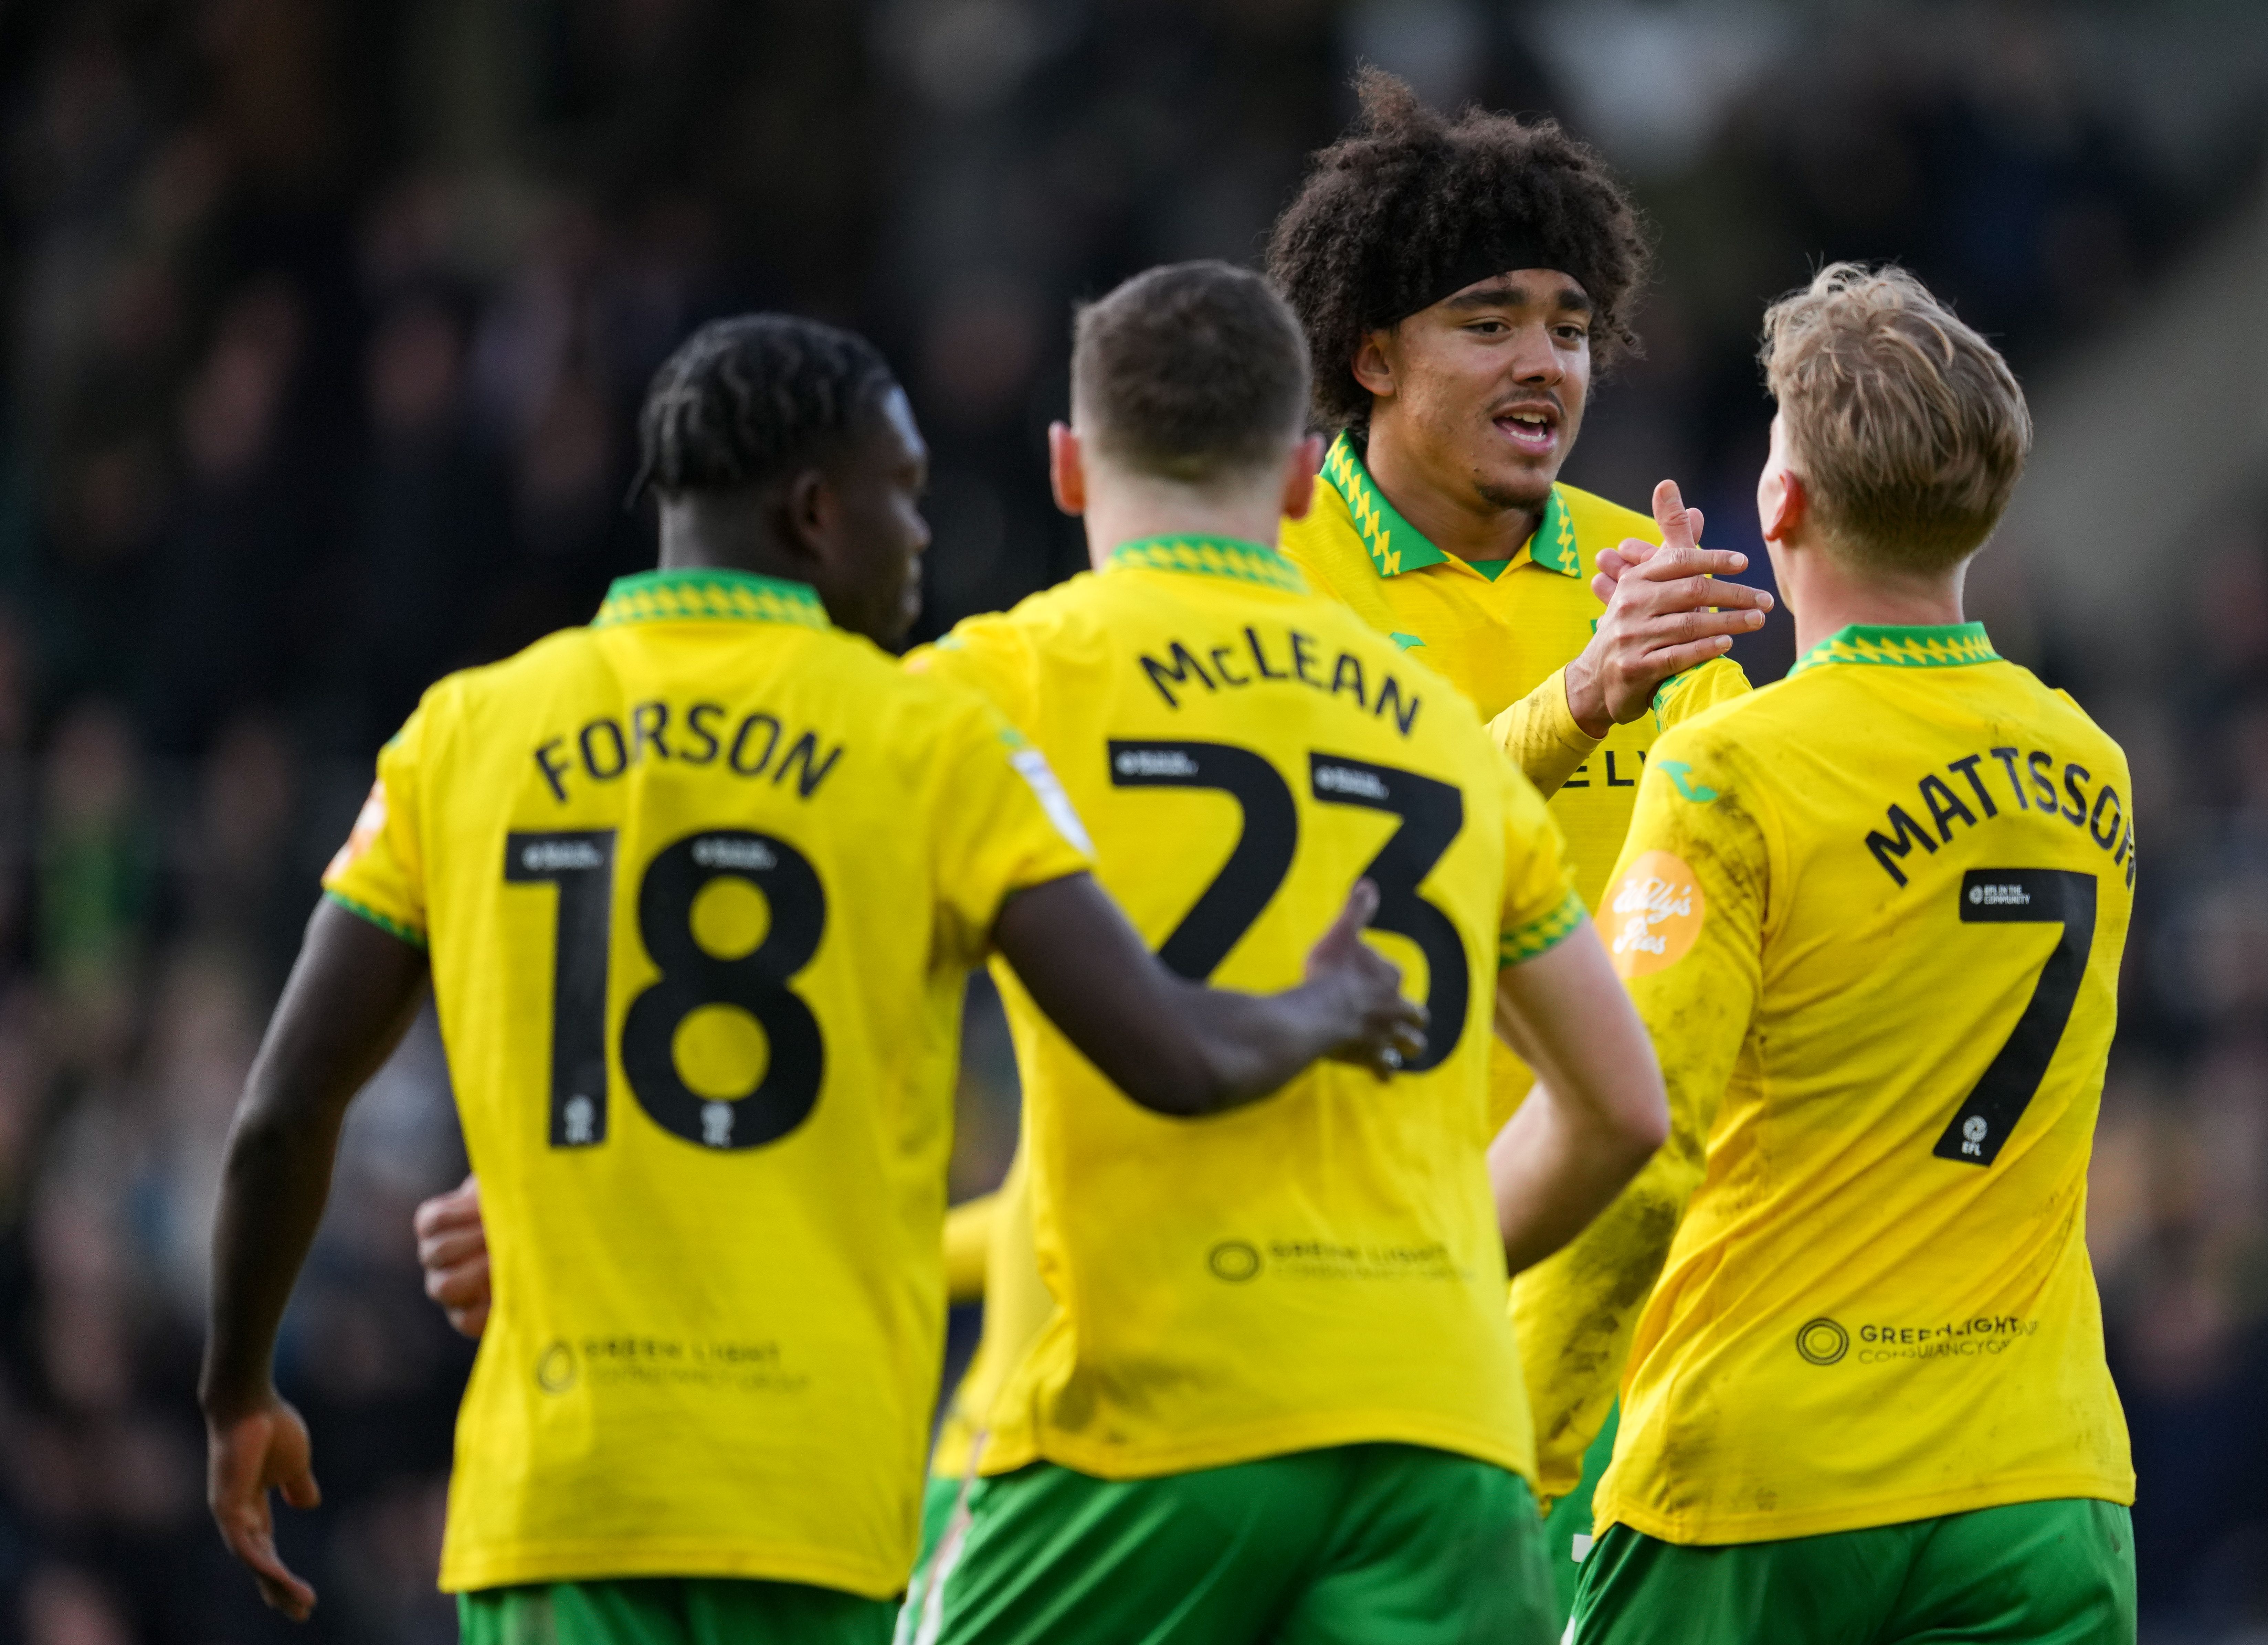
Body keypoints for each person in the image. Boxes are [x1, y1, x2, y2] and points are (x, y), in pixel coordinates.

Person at [199, 314, 1425, 1642]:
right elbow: (1172, 1056)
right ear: (814, 510)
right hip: (808, 1507)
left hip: (559, 1505)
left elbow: (283, 1110)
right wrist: (1327, 1005)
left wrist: (238, 1391)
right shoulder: (928, 742)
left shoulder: (463, 734)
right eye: (904, 493)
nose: (922, 533)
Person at [912, 261, 1666, 1645]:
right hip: (1441, 1432)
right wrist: (1435, 1263)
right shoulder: (1440, 736)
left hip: (1150, 1419)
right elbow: (1622, 1108)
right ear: (1304, 480)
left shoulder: (989, 685)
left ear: (1069, 468)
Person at [1554, 265, 2137, 1643]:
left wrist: (1519, 1415)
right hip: (2039, 1482)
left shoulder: (1727, 775)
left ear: (1779, 501)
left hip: (1764, 1481)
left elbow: (1632, 1134)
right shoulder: (2091, 765)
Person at [1262, 67, 1771, 1596]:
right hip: (1346, 1305)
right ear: (1369, 354)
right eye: (1487, 323)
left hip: (1624, 1333)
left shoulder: (1645, 577)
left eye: (1567, 324)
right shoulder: (1269, 577)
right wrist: (1578, 701)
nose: (1543, 360)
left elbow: (1747, 901)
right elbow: (1322, 874)